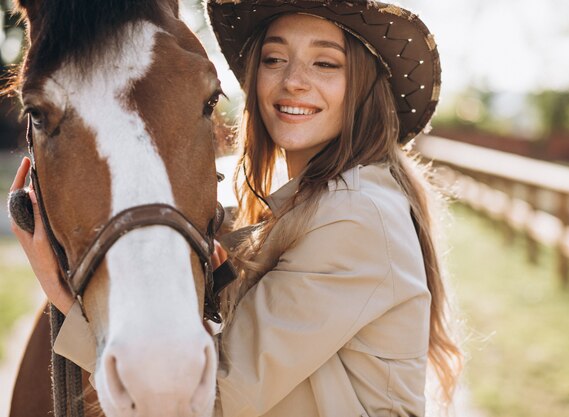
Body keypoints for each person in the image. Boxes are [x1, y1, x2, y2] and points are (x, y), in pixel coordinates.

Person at [10, 0, 462, 415]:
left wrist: (59, 292)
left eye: (325, 63)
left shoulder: (356, 215)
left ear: (362, 83)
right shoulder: (305, 204)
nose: (293, 81)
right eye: (273, 59)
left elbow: (208, 402)